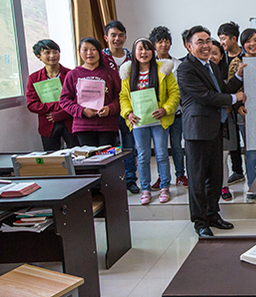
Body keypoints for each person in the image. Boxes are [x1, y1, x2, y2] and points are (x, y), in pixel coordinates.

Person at [177, 26, 246, 236]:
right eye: (200, 42)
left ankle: (212, 213)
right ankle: (200, 222)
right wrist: (236, 98)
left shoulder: (212, 66)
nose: (206, 46)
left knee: (215, 177)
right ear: (189, 46)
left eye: (208, 41)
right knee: (197, 178)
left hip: (216, 128)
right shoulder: (185, 68)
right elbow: (205, 96)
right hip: (197, 131)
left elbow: (221, 91)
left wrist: (239, 78)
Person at [119, 38, 180, 205]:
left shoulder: (163, 69)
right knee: (143, 156)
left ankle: (165, 187)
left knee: (161, 155)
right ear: (134, 52)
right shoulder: (128, 71)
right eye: (140, 49)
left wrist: (165, 109)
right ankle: (145, 189)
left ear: (152, 52)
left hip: (159, 121)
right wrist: (127, 113)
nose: (143, 52)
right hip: (139, 122)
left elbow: (174, 93)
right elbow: (123, 97)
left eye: (147, 49)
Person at [60, 37, 121, 147]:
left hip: (107, 125)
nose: (89, 53)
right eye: (85, 50)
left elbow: (119, 96)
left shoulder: (111, 73)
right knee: (89, 161)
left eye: (93, 49)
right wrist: (81, 111)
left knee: (107, 160)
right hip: (83, 126)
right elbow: (64, 100)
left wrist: (110, 108)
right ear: (79, 52)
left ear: (99, 51)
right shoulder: (73, 74)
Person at [103, 20, 140, 194]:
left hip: (129, 108)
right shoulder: (101, 58)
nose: (117, 39)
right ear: (106, 38)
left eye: (120, 35)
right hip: (108, 109)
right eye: (113, 35)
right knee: (110, 147)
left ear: (125, 37)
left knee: (129, 145)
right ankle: (112, 182)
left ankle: (130, 179)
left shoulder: (132, 57)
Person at [149, 26, 188, 188]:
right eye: (160, 42)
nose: (164, 45)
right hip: (158, 115)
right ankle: (162, 177)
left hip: (177, 113)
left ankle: (180, 174)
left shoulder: (178, 64)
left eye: (167, 42)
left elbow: (181, 90)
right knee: (161, 147)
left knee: (177, 145)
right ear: (153, 45)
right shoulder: (149, 66)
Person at [26, 39, 79, 151]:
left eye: (55, 52)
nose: (52, 55)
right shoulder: (34, 78)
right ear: (38, 56)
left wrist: (62, 113)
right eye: (47, 53)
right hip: (48, 123)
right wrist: (58, 105)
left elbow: (78, 99)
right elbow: (32, 104)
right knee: (52, 158)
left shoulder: (71, 74)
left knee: (77, 155)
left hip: (70, 121)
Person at [229, 28, 256, 187]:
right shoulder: (237, 62)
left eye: (255, 40)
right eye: (248, 41)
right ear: (243, 44)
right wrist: (237, 106)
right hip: (245, 112)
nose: (252, 44)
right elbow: (231, 87)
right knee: (251, 151)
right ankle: (252, 186)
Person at [217, 22, 246, 185]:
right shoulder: (222, 57)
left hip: (242, 104)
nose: (222, 42)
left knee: (246, 141)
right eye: (220, 39)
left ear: (234, 39)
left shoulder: (245, 55)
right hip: (228, 105)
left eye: (224, 39)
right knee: (233, 141)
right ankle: (237, 171)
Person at [210, 39, 236, 202]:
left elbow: (230, 93)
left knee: (224, 155)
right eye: (209, 52)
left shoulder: (226, 73)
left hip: (226, 121)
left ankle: (224, 185)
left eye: (215, 53)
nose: (212, 56)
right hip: (208, 121)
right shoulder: (201, 72)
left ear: (221, 56)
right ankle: (213, 186)